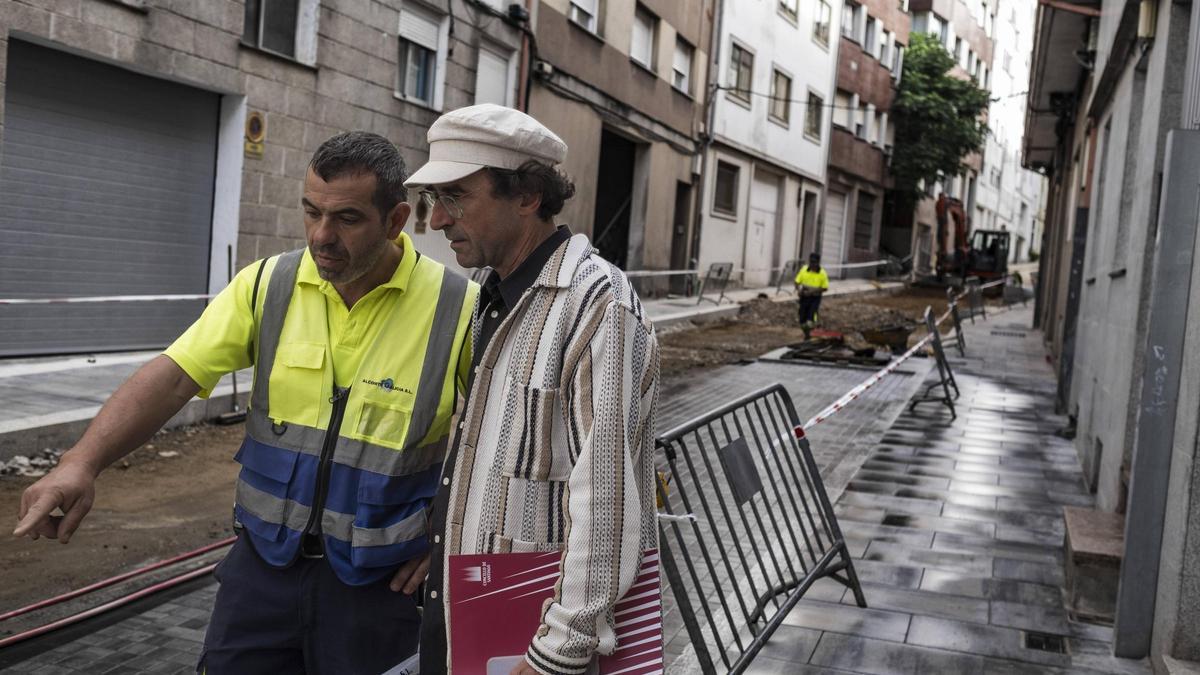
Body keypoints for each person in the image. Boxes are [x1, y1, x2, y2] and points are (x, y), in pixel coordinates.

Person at [12, 132, 477, 673]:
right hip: (262, 575)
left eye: (347, 219)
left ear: (396, 220)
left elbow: (500, 445)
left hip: (380, 589)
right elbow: (174, 375)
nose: (321, 236)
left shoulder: (458, 309)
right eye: (311, 212)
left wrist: (448, 541)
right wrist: (81, 462)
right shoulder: (267, 285)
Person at [406, 104, 660, 675]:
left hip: (530, 651)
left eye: (456, 197)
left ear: (526, 195)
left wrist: (559, 654)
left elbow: (608, 497)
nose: (439, 220)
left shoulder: (599, 306)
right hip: (470, 622)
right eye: (433, 199)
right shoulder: (494, 293)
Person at [794, 251, 829, 328]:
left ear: (818, 262)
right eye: (811, 262)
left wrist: (812, 292)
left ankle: (812, 325)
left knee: (812, 313)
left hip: (815, 297)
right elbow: (797, 281)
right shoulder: (804, 269)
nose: (812, 264)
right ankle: (804, 328)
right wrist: (799, 290)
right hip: (804, 296)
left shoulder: (822, 273)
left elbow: (825, 287)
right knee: (802, 314)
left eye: (814, 262)